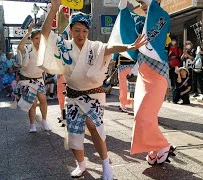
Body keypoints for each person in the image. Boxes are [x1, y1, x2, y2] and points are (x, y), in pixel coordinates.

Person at [39, 0, 147, 178]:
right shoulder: (64, 47)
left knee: (94, 126)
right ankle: (81, 165)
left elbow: (110, 47)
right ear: (71, 31)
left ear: (88, 32)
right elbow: (45, 34)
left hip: (94, 96)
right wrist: (53, 8)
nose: (81, 34)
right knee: (74, 134)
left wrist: (129, 47)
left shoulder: (95, 47)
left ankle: (106, 165)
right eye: (77, 30)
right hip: (73, 96)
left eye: (84, 31)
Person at [111, 0, 176, 165]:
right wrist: (124, 6)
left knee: (143, 116)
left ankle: (163, 145)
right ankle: (154, 149)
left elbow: (150, 45)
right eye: (140, 1)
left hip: (157, 76)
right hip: (142, 75)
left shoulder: (162, 17)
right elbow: (126, 21)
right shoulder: (141, 21)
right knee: (145, 116)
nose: (142, 4)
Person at [17, 22, 50, 133]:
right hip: (26, 79)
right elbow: (20, 46)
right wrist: (28, 32)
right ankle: (32, 124)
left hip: (38, 79)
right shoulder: (27, 49)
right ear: (32, 39)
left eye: (40, 38)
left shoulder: (44, 51)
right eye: (36, 38)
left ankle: (44, 121)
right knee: (33, 103)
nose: (39, 40)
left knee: (43, 99)